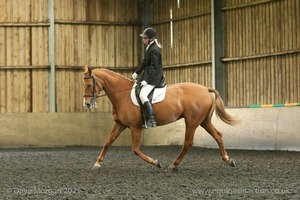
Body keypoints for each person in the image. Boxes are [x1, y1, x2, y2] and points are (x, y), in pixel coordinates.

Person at [132, 27, 163, 128]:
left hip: (154, 77)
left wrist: (147, 80)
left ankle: (151, 120)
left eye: (145, 38)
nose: (143, 40)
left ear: (151, 39)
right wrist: (137, 72)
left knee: (143, 95)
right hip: (148, 75)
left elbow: (154, 68)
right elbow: (145, 62)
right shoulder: (149, 47)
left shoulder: (154, 50)